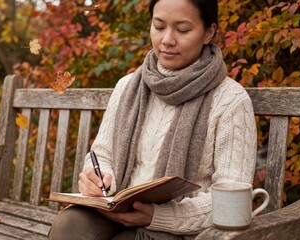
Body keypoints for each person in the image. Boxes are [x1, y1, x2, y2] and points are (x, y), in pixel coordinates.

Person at [48, 0, 257, 239]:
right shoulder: (128, 87)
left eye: (182, 30)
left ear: (209, 32)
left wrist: (157, 217)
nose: (167, 39)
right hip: (116, 209)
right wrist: (97, 179)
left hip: (180, 228)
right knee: (69, 225)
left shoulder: (230, 100)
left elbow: (232, 198)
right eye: (159, 27)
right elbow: (102, 154)